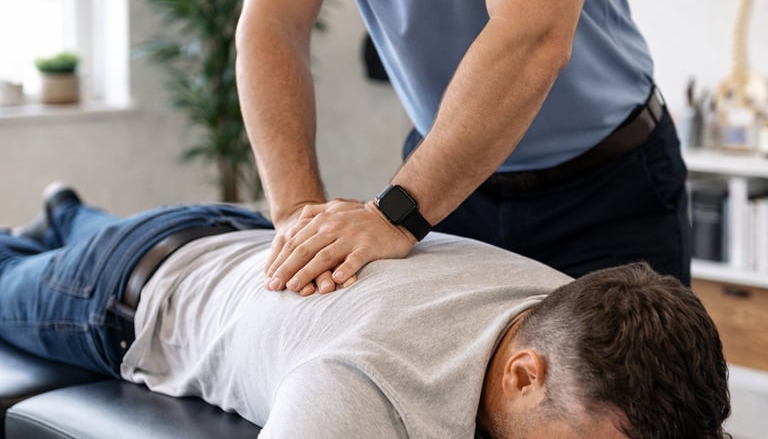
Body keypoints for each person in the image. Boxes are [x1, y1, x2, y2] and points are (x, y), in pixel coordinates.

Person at [1, 185, 729, 438]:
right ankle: (58, 224)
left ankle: (67, 209)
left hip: (237, 232)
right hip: (123, 292)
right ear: (523, 374)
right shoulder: (361, 392)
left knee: (79, 222)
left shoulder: (569, 307)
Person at [235, 0, 691, 297]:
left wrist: (393, 216)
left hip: (607, 189)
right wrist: (297, 216)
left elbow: (531, 33)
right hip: (449, 192)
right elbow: (273, 25)